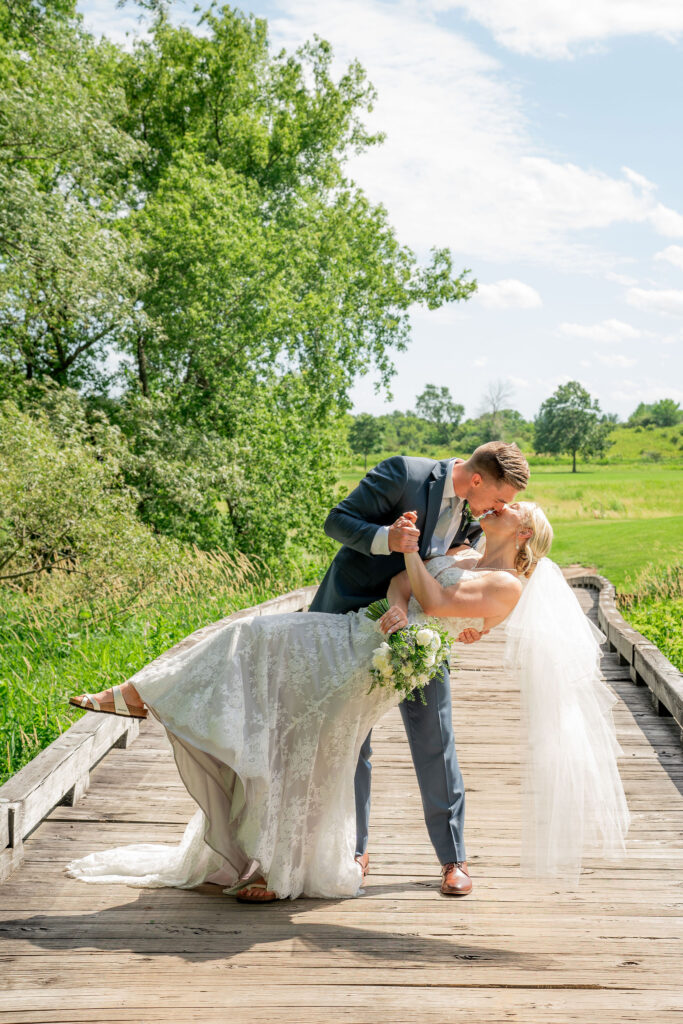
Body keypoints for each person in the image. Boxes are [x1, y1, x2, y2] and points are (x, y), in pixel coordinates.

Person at [66, 497, 629, 899]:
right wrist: (398, 599)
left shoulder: (507, 584)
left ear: (524, 533)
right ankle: (147, 698)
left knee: (311, 733)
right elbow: (408, 589)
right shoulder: (465, 553)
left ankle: (288, 867)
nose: (496, 507)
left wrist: (408, 555)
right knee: (264, 666)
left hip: (379, 665)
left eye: (508, 510)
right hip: (363, 635)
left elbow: (430, 591)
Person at [308, 441, 530, 898]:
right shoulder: (403, 474)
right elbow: (336, 520)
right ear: (476, 481)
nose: (500, 508)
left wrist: (473, 619)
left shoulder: (471, 509)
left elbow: (462, 556)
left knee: (435, 737)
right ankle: (354, 849)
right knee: (352, 739)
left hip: (420, 634)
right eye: (499, 498)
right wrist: (386, 538)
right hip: (350, 617)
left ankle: (453, 859)